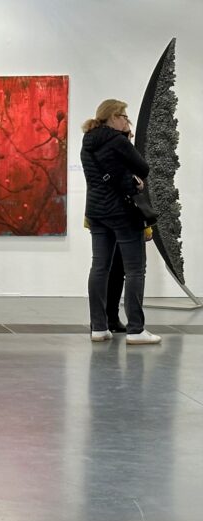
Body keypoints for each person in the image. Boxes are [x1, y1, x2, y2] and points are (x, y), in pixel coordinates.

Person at [80, 99, 158, 345]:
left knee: (99, 267)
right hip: (123, 212)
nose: (127, 121)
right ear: (113, 117)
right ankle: (136, 329)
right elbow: (143, 168)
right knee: (135, 270)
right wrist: (133, 181)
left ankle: (99, 327)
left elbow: (102, 177)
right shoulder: (118, 141)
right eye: (124, 116)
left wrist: (127, 179)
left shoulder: (87, 141)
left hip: (96, 212)